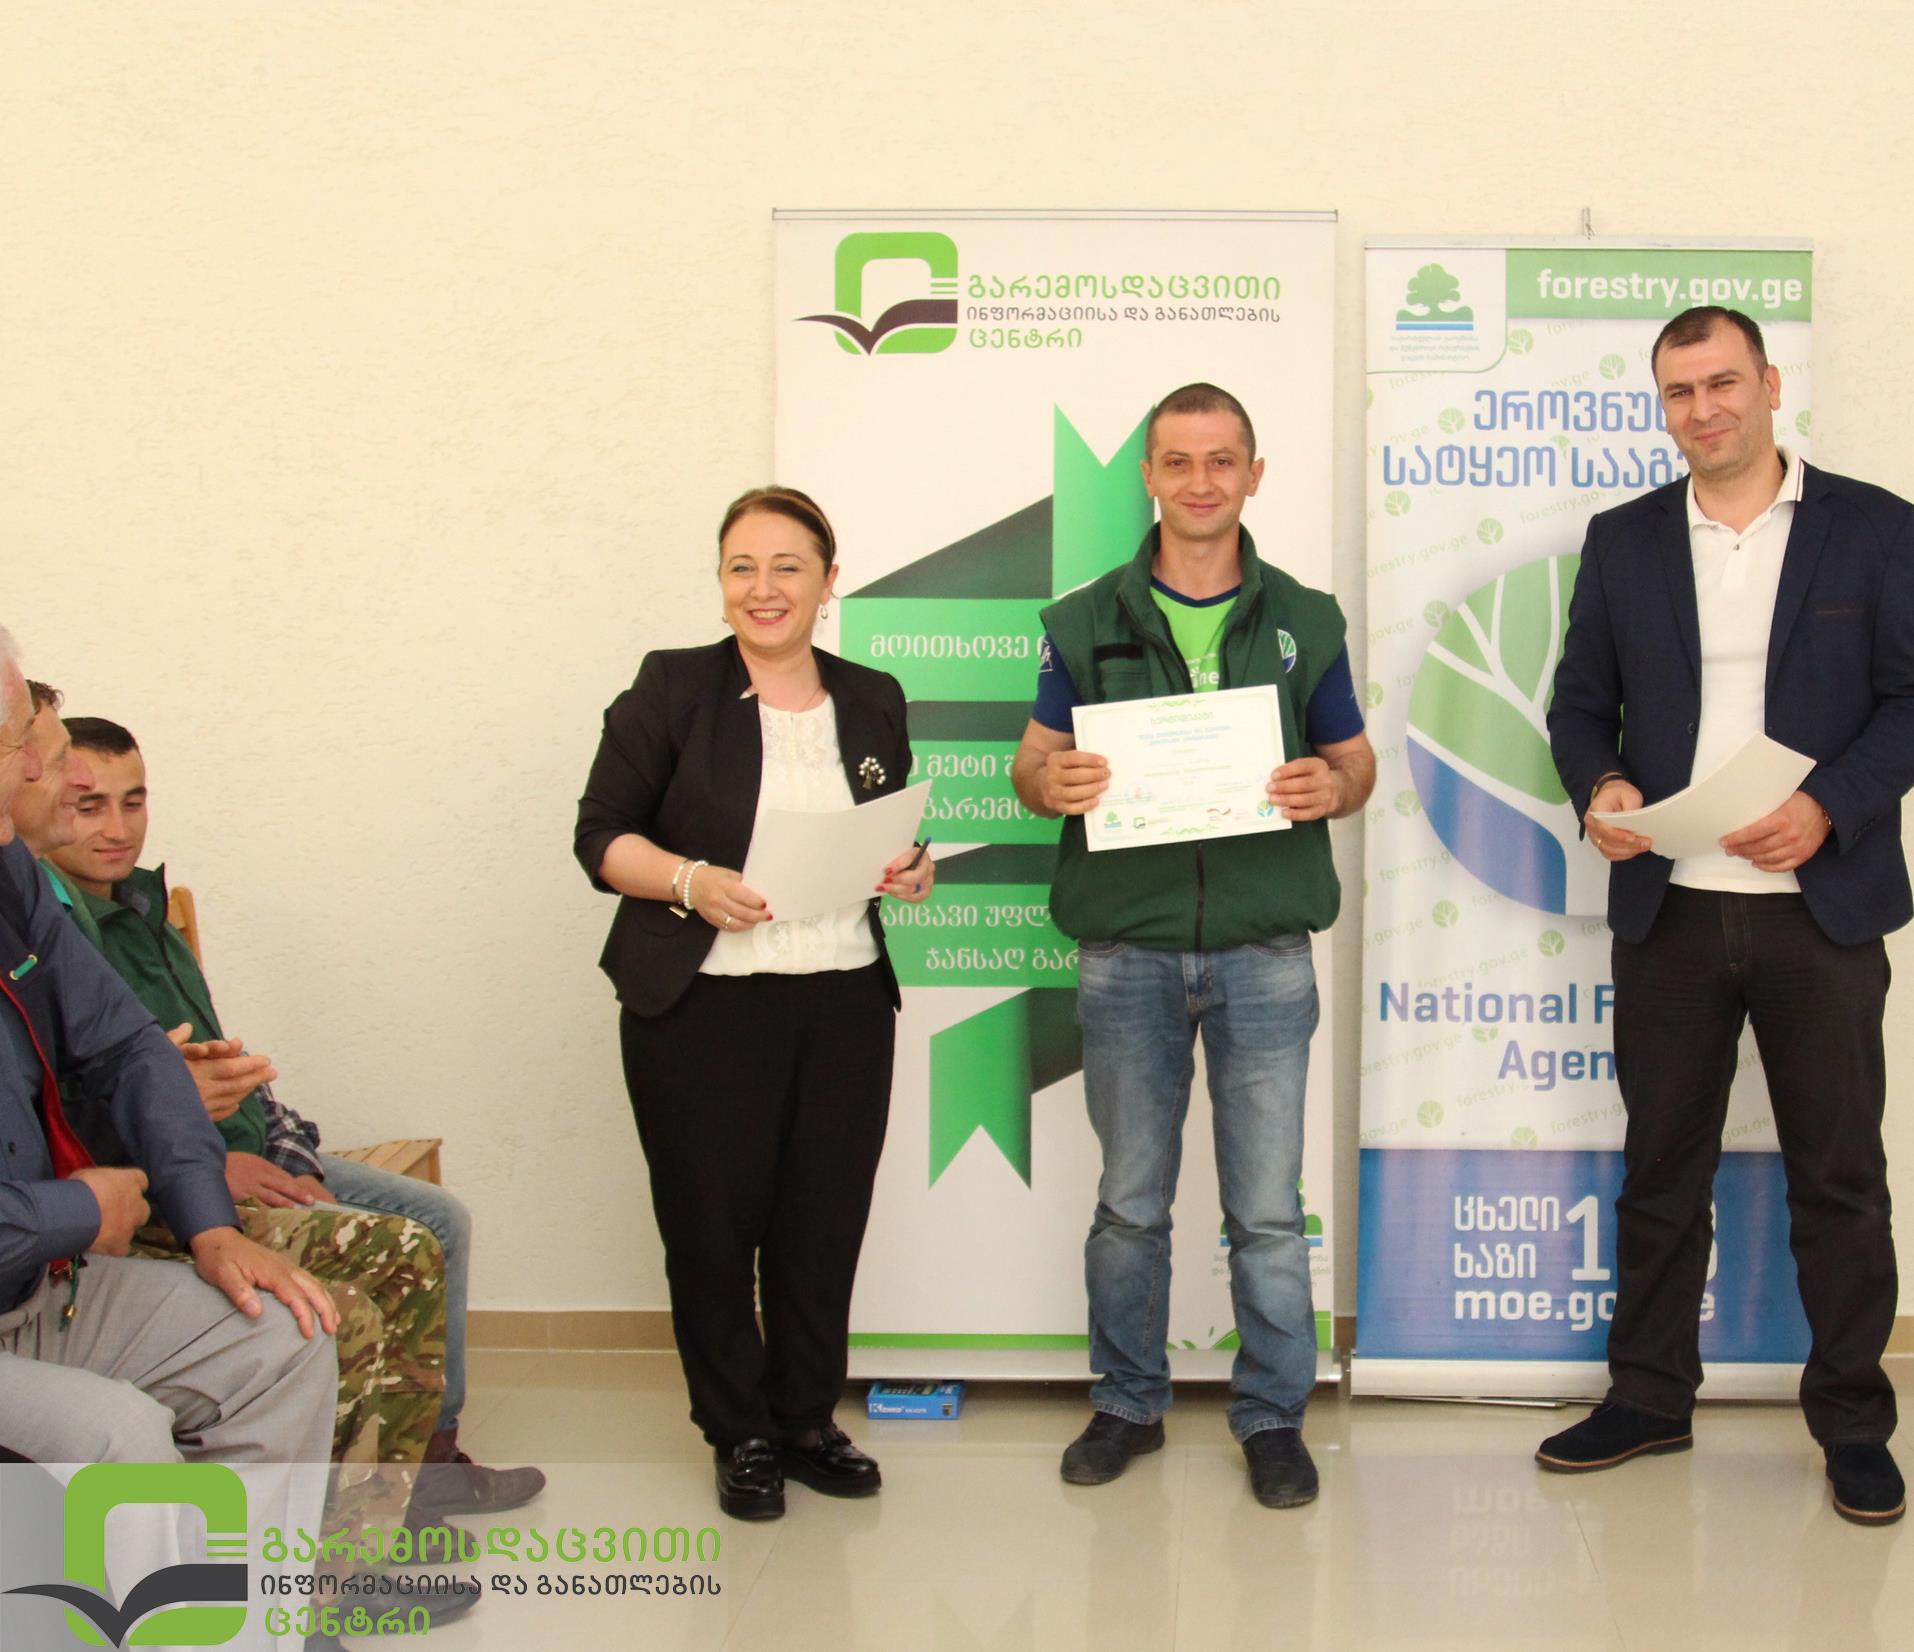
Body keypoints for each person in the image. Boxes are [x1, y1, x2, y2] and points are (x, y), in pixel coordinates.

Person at [1544, 306, 1913, 1525]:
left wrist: (1829, 806)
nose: (1702, 409)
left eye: (1721, 383)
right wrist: (1600, 785)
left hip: (1822, 910)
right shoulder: (1625, 540)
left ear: (1768, 383)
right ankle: (1649, 1396)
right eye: (1678, 391)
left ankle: (1853, 1422)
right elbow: (1579, 705)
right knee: (1661, 1169)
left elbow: (1909, 701)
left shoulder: (1876, 527)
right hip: (1673, 909)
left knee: (1840, 1176)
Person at [1010, 383, 1374, 1510]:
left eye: (1222, 460)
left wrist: (1332, 787)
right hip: (1128, 949)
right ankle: (1127, 1401)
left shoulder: (1306, 618)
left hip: (1266, 949)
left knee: (1265, 1209)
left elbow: (1354, 761)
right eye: (1178, 461)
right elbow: (1031, 765)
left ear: (1254, 475)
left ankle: (1272, 1416)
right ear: (1150, 479)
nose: (1201, 481)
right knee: (1131, 1200)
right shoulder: (1084, 620)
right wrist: (1051, 783)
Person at [41, 711, 541, 1527]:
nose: (118, 828)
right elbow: (76, 1110)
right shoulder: (57, 932)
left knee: (439, 1216)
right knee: (397, 1251)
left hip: (248, 1151)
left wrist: (283, 1146)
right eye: (89, 805)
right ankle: (362, 1521)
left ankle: (428, 1467)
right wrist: (207, 1161)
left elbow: (225, 1069)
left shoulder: (148, 910)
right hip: (173, 1183)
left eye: (134, 801)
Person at [575, 485, 934, 1521]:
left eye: (788, 566)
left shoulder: (872, 696)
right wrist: (690, 881)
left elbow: (887, 832)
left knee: (824, 1220)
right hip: (705, 1006)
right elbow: (601, 835)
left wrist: (915, 868)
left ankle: (806, 1417)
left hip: (843, 999)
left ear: (829, 581)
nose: (763, 587)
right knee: (712, 1227)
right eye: (743, 566)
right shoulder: (674, 686)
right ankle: (738, 1429)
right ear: (721, 581)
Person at [0, 625, 340, 1471]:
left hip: (29, 1288)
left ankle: (251, 1569)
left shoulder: (10, 874)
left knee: (283, 1336)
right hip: (39, 1250)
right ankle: (168, 1566)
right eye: (18, 744)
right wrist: (76, 1209)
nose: (42, 768)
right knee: (120, 1433)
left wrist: (210, 1227)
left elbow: (126, 1046)